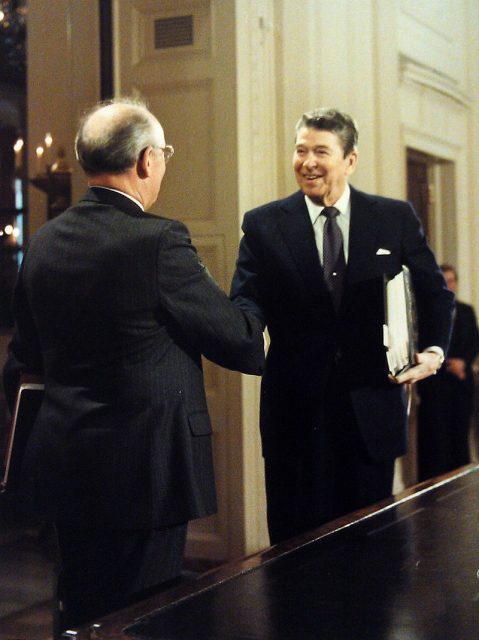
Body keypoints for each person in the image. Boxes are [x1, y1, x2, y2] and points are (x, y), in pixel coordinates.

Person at [3, 97, 264, 633]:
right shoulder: (157, 239)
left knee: (78, 610)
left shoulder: (45, 241)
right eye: (164, 152)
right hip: (145, 472)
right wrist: (256, 292)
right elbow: (238, 338)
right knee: (139, 617)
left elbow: (24, 362)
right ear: (147, 160)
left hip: (68, 465)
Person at [230, 107, 454, 545]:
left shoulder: (394, 217)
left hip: (371, 412)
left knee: (371, 552)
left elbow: (435, 293)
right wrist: (238, 332)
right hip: (295, 417)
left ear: (350, 160)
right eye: (300, 150)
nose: (307, 162)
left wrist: (433, 353)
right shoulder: (263, 225)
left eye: (320, 151)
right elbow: (245, 299)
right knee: (296, 555)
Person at [417, 264, 479, 481]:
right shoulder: (427, 312)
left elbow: (474, 342)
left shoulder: (466, 311)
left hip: (460, 386)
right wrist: (444, 364)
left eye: (452, 281)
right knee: (436, 444)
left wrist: (462, 363)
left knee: (459, 440)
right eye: (445, 281)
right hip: (437, 386)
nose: (449, 285)